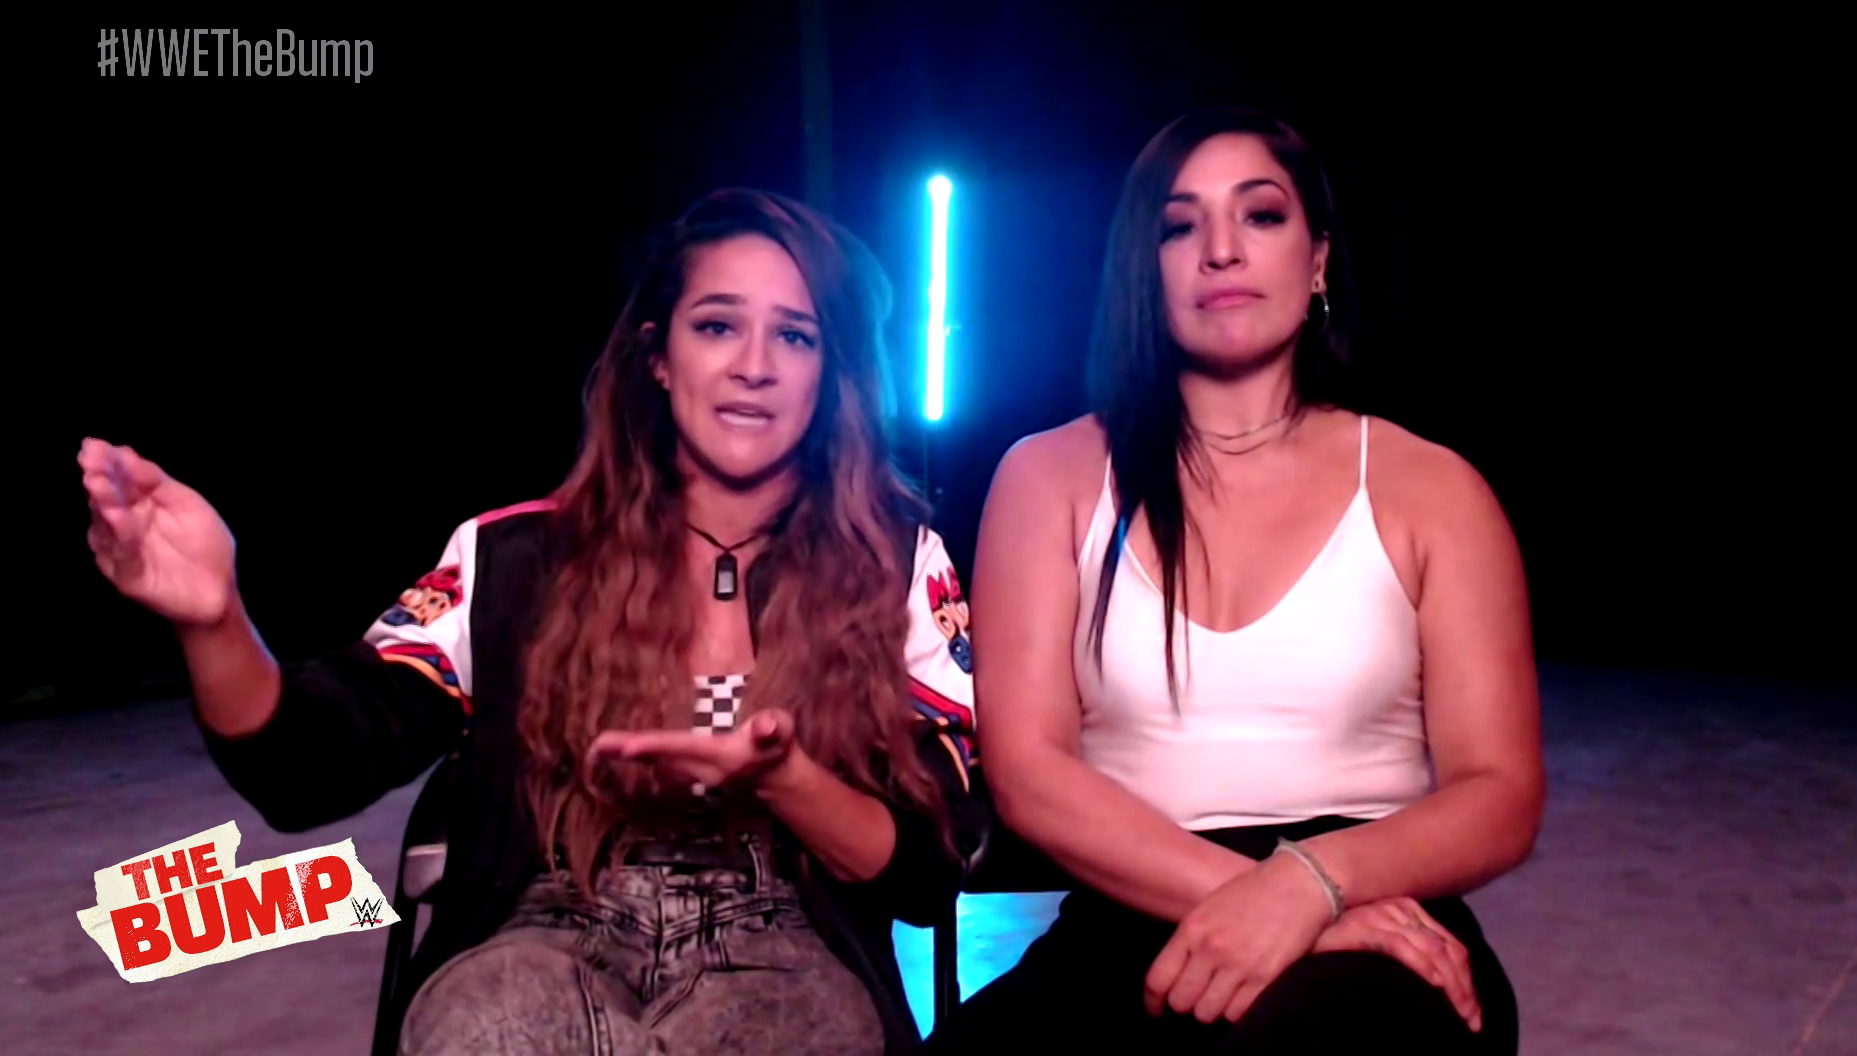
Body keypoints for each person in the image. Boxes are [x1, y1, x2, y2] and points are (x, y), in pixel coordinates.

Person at [78, 188, 984, 1056]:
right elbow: (306, 770)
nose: (754, 364)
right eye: (717, 326)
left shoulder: (899, 568)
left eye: (795, 335)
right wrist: (216, 619)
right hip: (548, 933)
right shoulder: (511, 559)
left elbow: (932, 867)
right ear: (658, 356)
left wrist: (785, 778)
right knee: (490, 1031)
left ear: (832, 374)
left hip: (789, 956)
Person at [925, 108, 1544, 1054]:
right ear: (1146, 270)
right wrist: (1268, 901)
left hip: (1379, 916)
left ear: (1319, 258)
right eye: (1180, 226)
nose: (1221, 250)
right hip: (1130, 915)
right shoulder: (1047, 478)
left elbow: (1499, 793)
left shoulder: (1433, 489)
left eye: (1260, 215)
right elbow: (1030, 776)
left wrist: (1316, 884)